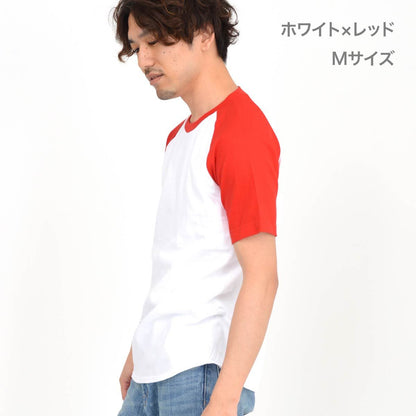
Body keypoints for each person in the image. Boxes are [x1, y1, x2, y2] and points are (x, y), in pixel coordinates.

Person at [111, 1, 281, 415]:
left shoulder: (240, 130)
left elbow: (263, 276)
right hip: (153, 369)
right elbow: (181, 261)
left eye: (155, 41)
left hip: (200, 376)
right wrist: (140, 349)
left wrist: (224, 398)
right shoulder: (179, 138)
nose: (143, 60)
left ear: (204, 33)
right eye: (136, 47)